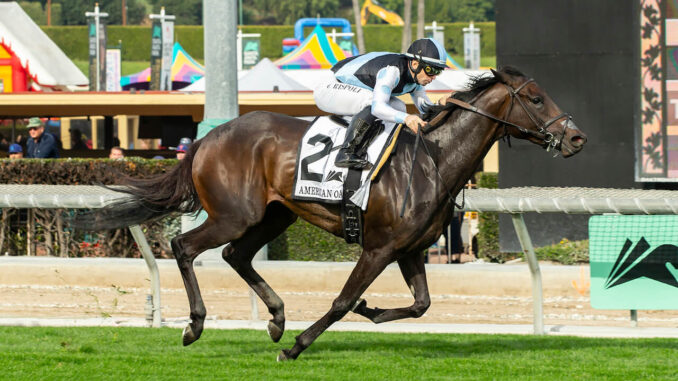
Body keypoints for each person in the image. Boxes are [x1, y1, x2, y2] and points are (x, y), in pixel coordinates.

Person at [314, 38, 450, 169]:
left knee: (399, 107)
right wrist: (407, 118)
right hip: (329, 87)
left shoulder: (416, 80)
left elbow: (425, 109)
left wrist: (441, 104)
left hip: (347, 89)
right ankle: (347, 152)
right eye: (431, 70)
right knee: (372, 101)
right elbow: (377, 108)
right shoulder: (392, 71)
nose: (433, 77)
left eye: (438, 71)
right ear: (415, 64)